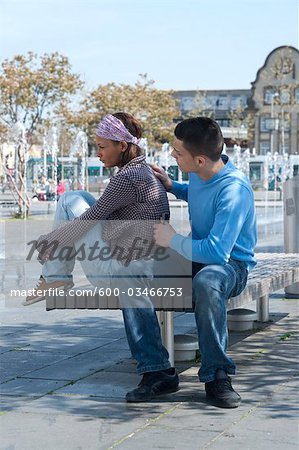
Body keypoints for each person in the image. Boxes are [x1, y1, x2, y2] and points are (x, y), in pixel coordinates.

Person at [24, 112, 179, 399]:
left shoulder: (128, 178)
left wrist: (47, 242)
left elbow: (90, 219)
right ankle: (55, 276)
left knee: (70, 201)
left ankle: (55, 276)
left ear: (122, 145)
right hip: (142, 262)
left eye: (102, 146)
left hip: (126, 268)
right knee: (76, 198)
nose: (98, 154)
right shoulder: (141, 172)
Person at [127, 117, 257, 408]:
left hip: (231, 266)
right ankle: (157, 371)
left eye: (178, 152)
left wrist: (171, 238)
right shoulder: (202, 172)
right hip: (196, 255)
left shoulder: (235, 190)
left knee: (208, 280)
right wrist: (173, 185)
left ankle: (217, 375)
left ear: (199, 159)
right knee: (130, 272)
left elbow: (216, 253)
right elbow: (196, 192)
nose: (172, 155)